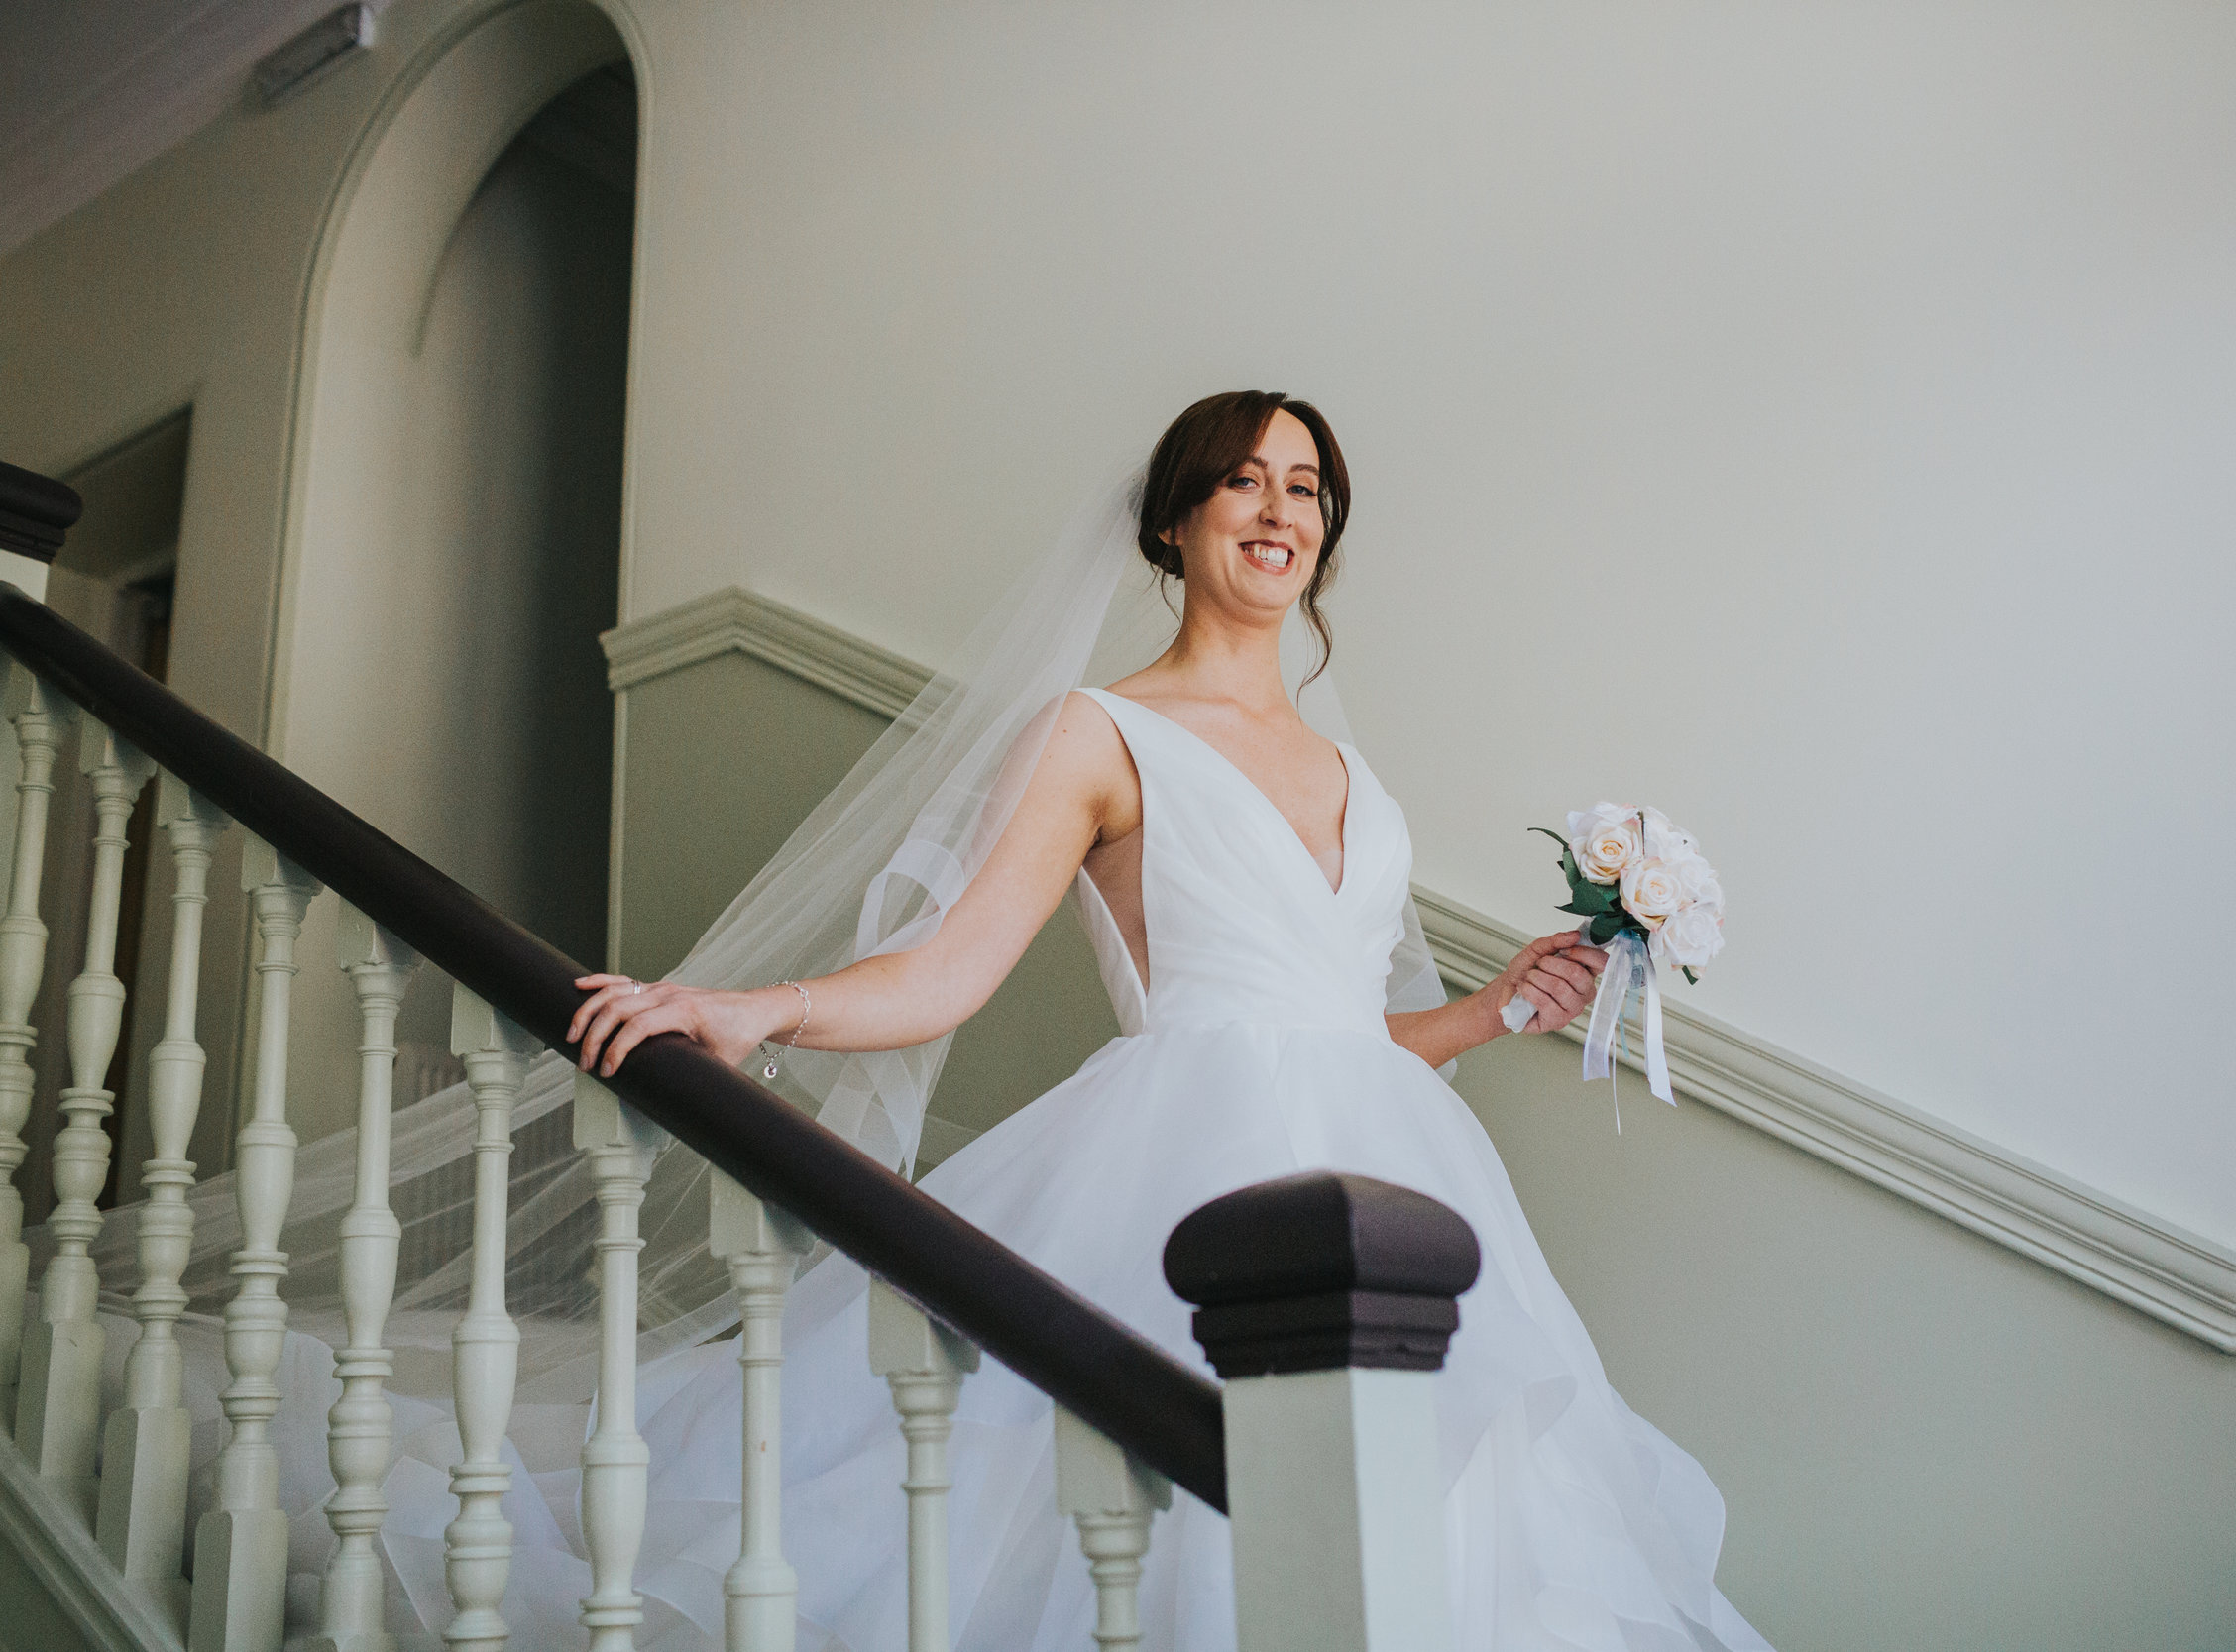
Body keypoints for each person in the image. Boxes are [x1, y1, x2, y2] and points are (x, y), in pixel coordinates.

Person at [561, 392, 1774, 1652]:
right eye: (1244, 480)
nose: (1277, 509)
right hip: (1178, 1172)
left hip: (1404, 1184)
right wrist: (754, 1007)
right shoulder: (1099, 730)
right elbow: (950, 967)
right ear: (1174, 524)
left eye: (1304, 488)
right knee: (1182, 1516)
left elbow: (1342, 1033)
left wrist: (1483, 1009)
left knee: (1458, 1515)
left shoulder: (1356, 774)